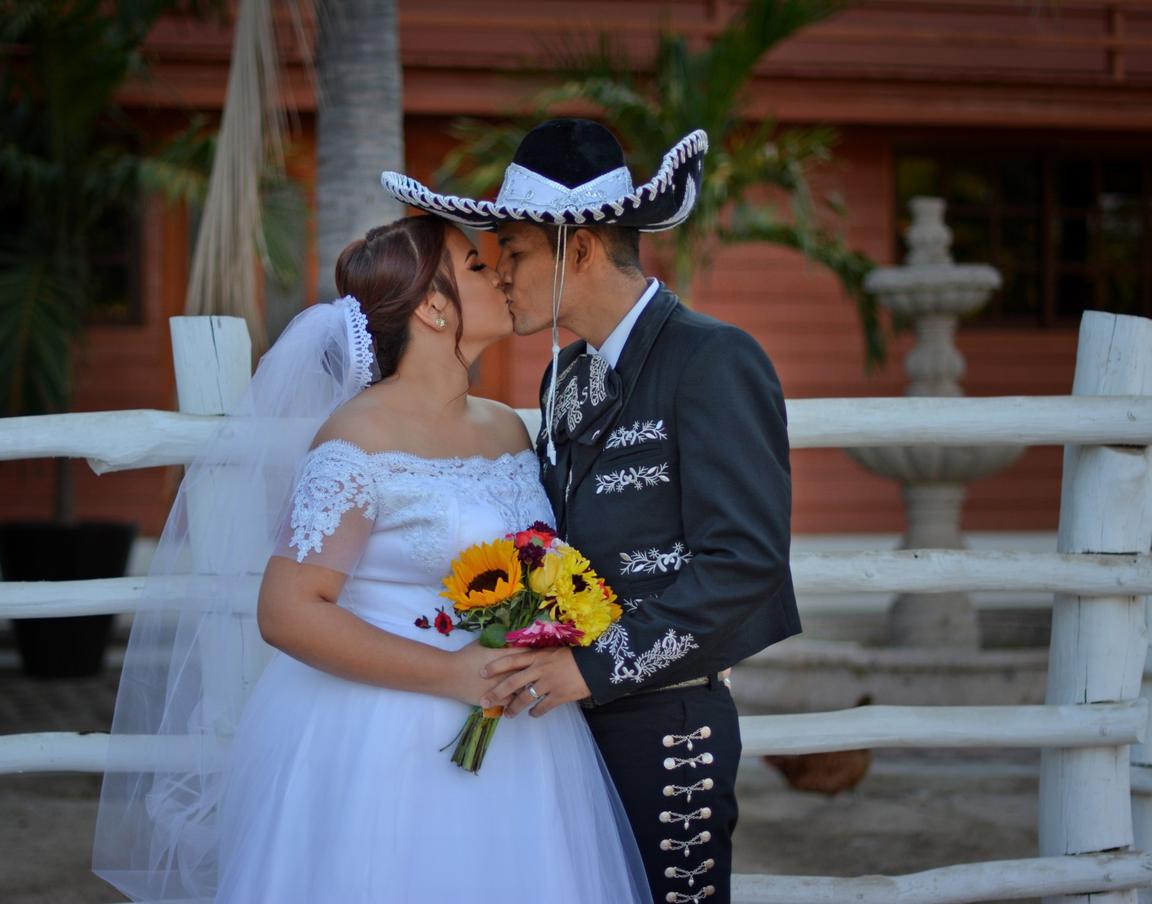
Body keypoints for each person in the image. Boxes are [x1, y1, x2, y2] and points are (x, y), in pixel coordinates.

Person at [93, 213, 652, 904]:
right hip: (385, 738)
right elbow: (288, 610)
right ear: (431, 302)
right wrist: (452, 674)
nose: (501, 274)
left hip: (521, 738)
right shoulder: (359, 435)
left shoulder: (505, 426)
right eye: (476, 266)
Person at [382, 118, 802, 903]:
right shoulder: (564, 377)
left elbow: (745, 560)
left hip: (666, 717)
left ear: (576, 247)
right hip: (565, 728)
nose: (499, 273)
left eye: (514, 251)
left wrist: (590, 665)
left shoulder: (713, 359)